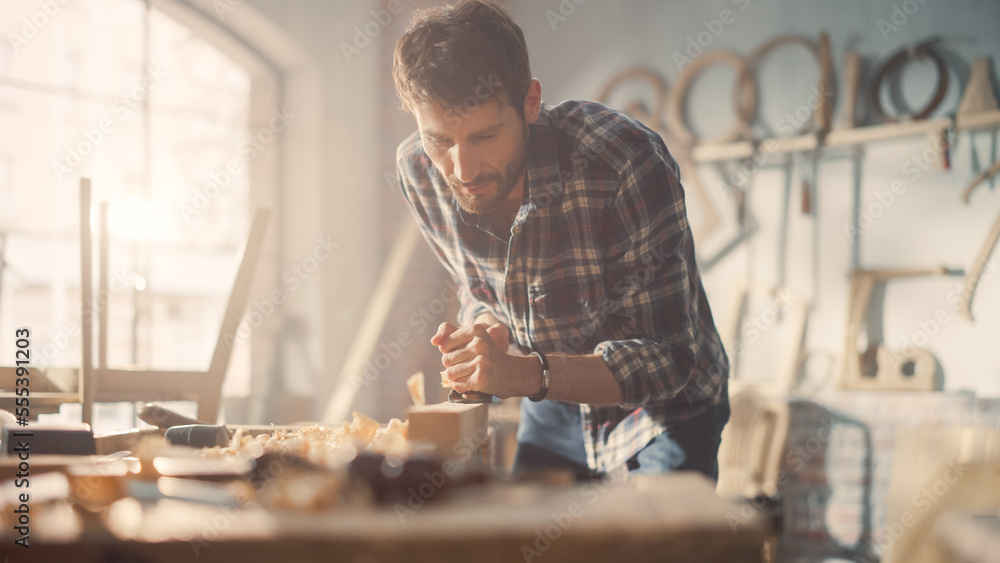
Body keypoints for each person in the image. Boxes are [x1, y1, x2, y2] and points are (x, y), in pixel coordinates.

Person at [392, 0, 729, 481]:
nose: (463, 171)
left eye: (486, 136)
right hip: (551, 404)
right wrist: (486, 326)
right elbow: (478, 289)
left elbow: (669, 361)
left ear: (530, 102)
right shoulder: (420, 173)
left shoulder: (623, 161)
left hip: (662, 413)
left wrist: (524, 374)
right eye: (441, 140)